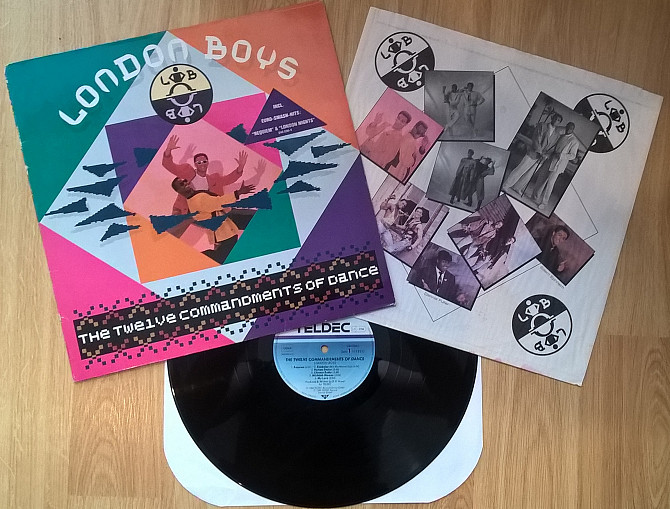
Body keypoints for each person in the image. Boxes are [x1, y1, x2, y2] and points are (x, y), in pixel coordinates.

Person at [171, 177, 255, 263]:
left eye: (185, 181)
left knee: (222, 256)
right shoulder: (197, 200)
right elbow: (219, 202)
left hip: (225, 227)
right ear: (178, 191)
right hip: (224, 231)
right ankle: (194, 260)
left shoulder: (195, 197)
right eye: (181, 184)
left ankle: (195, 260)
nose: (185, 183)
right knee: (221, 257)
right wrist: (238, 193)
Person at [162, 134, 248, 217]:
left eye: (204, 161)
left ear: (207, 163)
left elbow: (229, 179)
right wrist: (168, 150)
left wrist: (240, 167)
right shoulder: (187, 172)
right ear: (195, 164)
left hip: (205, 213)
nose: (202, 164)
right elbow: (170, 166)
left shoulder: (214, 179)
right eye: (199, 162)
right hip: (183, 211)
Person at [504, 113, 563, 196]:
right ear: (552, 118)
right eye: (555, 118)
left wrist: (546, 155)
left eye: (558, 120)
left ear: (559, 123)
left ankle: (518, 187)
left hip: (542, 158)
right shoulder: (542, 125)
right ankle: (506, 185)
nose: (556, 121)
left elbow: (552, 147)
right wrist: (540, 151)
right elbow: (536, 139)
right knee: (520, 169)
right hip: (533, 152)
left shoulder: (557, 135)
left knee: (530, 174)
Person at [532, 122, 579, 209]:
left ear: (573, 130)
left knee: (550, 183)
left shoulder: (574, 141)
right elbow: (554, 148)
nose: (568, 129)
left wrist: (561, 155)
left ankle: (544, 203)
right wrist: (547, 154)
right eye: (568, 127)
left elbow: (572, 156)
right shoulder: (561, 136)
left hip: (558, 164)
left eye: (571, 128)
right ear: (566, 127)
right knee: (541, 178)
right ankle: (535, 196)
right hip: (550, 160)